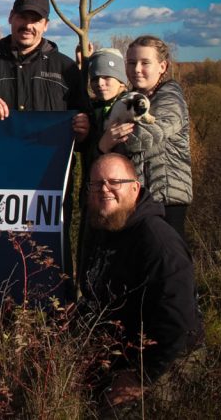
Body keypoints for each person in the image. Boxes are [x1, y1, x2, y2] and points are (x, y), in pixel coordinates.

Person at [80, 154, 201, 407]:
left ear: (135, 188)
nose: (104, 189)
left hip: (166, 360)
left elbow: (178, 323)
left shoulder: (158, 241)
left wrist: (140, 377)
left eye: (114, 182)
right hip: (120, 351)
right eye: (96, 184)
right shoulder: (103, 227)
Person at [0, 0, 89, 136]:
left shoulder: (67, 68)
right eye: (22, 17)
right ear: (11, 17)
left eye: (36, 20)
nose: (28, 25)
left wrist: (85, 130)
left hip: (50, 158)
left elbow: (86, 124)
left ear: (46, 25)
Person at [100, 36, 192, 238]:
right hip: (135, 200)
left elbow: (144, 137)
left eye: (145, 63)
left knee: (167, 263)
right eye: (131, 63)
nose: (136, 69)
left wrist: (108, 140)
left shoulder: (170, 98)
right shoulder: (129, 100)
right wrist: (103, 144)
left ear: (162, 66)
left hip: (166, 199)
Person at [77, 48, 130, 279]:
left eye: (108, 78)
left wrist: (102, 146)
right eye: (95, 79)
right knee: (88, 259)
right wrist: (82, 66)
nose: (101, 84)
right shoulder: (92, 111)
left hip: (120, 202)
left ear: (121, 81)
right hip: (92, 200)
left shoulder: (129, 109)